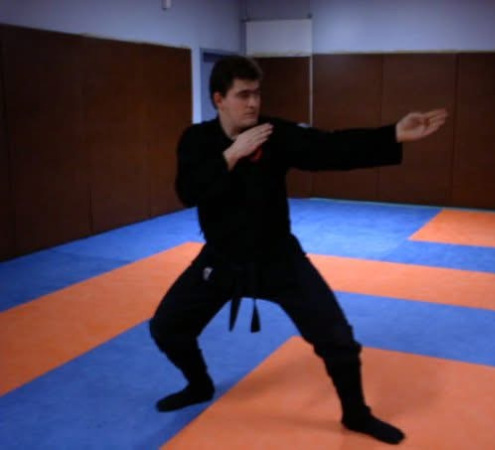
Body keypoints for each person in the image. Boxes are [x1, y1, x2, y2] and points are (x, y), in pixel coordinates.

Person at [149, 55, 447, 445]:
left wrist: (392, 134)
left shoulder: (274, 134)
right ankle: (199, 384)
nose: (253, 103)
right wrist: (232, 154)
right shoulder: (197, 140)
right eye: (243, 95)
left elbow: (331, 147)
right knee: (167, 328)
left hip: (279, 259)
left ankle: (356, 414)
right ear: (219, 99)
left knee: (338, 339)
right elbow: (188, 192)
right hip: (222, 260)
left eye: (257, 94)